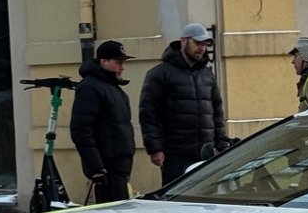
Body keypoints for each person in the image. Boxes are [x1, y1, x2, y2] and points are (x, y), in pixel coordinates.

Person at [139, 22, 230, 186]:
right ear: (183, 41)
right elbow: (148, 113)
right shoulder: (159, 74)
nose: (201, 48)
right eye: (197, 43)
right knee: (177, 199)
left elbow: (216, 112)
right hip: (175, 154)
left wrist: (221, 145)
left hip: (206, 153)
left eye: (204, 44)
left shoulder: (207, 75)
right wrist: (155, 148)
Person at [69, 39, 137, 203]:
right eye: (118, 62)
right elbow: (81, 129)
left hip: (119, 168)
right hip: (106, 169)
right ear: (103, 61)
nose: (122, 67)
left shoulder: (114, 89)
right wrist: (96, 168)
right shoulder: (90, 87)